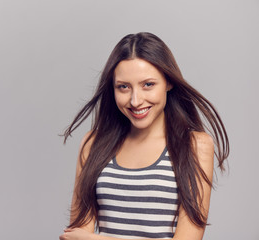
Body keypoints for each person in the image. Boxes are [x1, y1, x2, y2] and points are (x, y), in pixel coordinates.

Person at [59, 32, 229, 240]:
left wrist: (96, 239)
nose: (135, 100)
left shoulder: (195, 145)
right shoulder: (93, 144)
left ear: (168, 82)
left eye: (148, 84)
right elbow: (75, 236)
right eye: (123, 87)